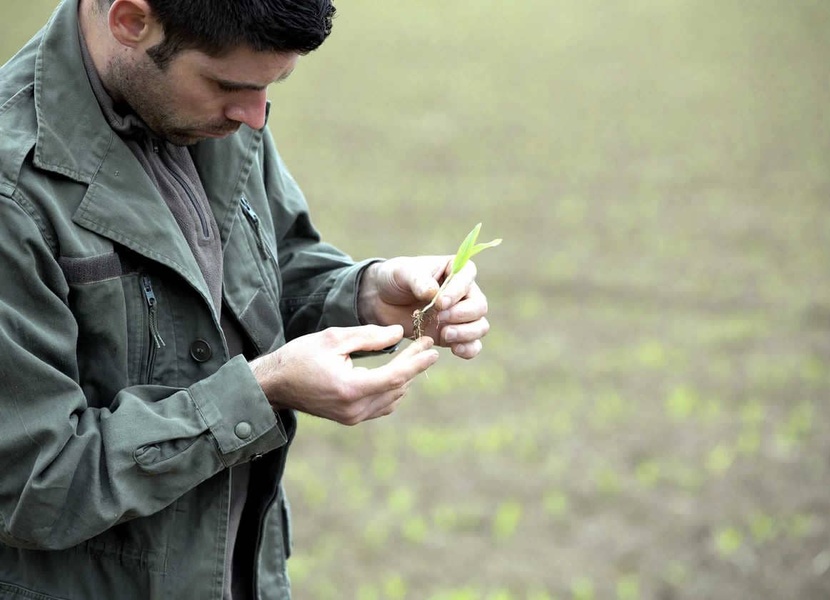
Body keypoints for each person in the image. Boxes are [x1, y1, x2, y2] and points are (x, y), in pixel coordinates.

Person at [0, 0, 491, 598]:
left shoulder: (209, 107)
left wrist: (365, 292)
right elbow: (32, 483)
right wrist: (259, 392)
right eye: (229, 84)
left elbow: (276, 264)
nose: (255, 116)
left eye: (270, 87)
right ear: (131, 20)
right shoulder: (13, 193)